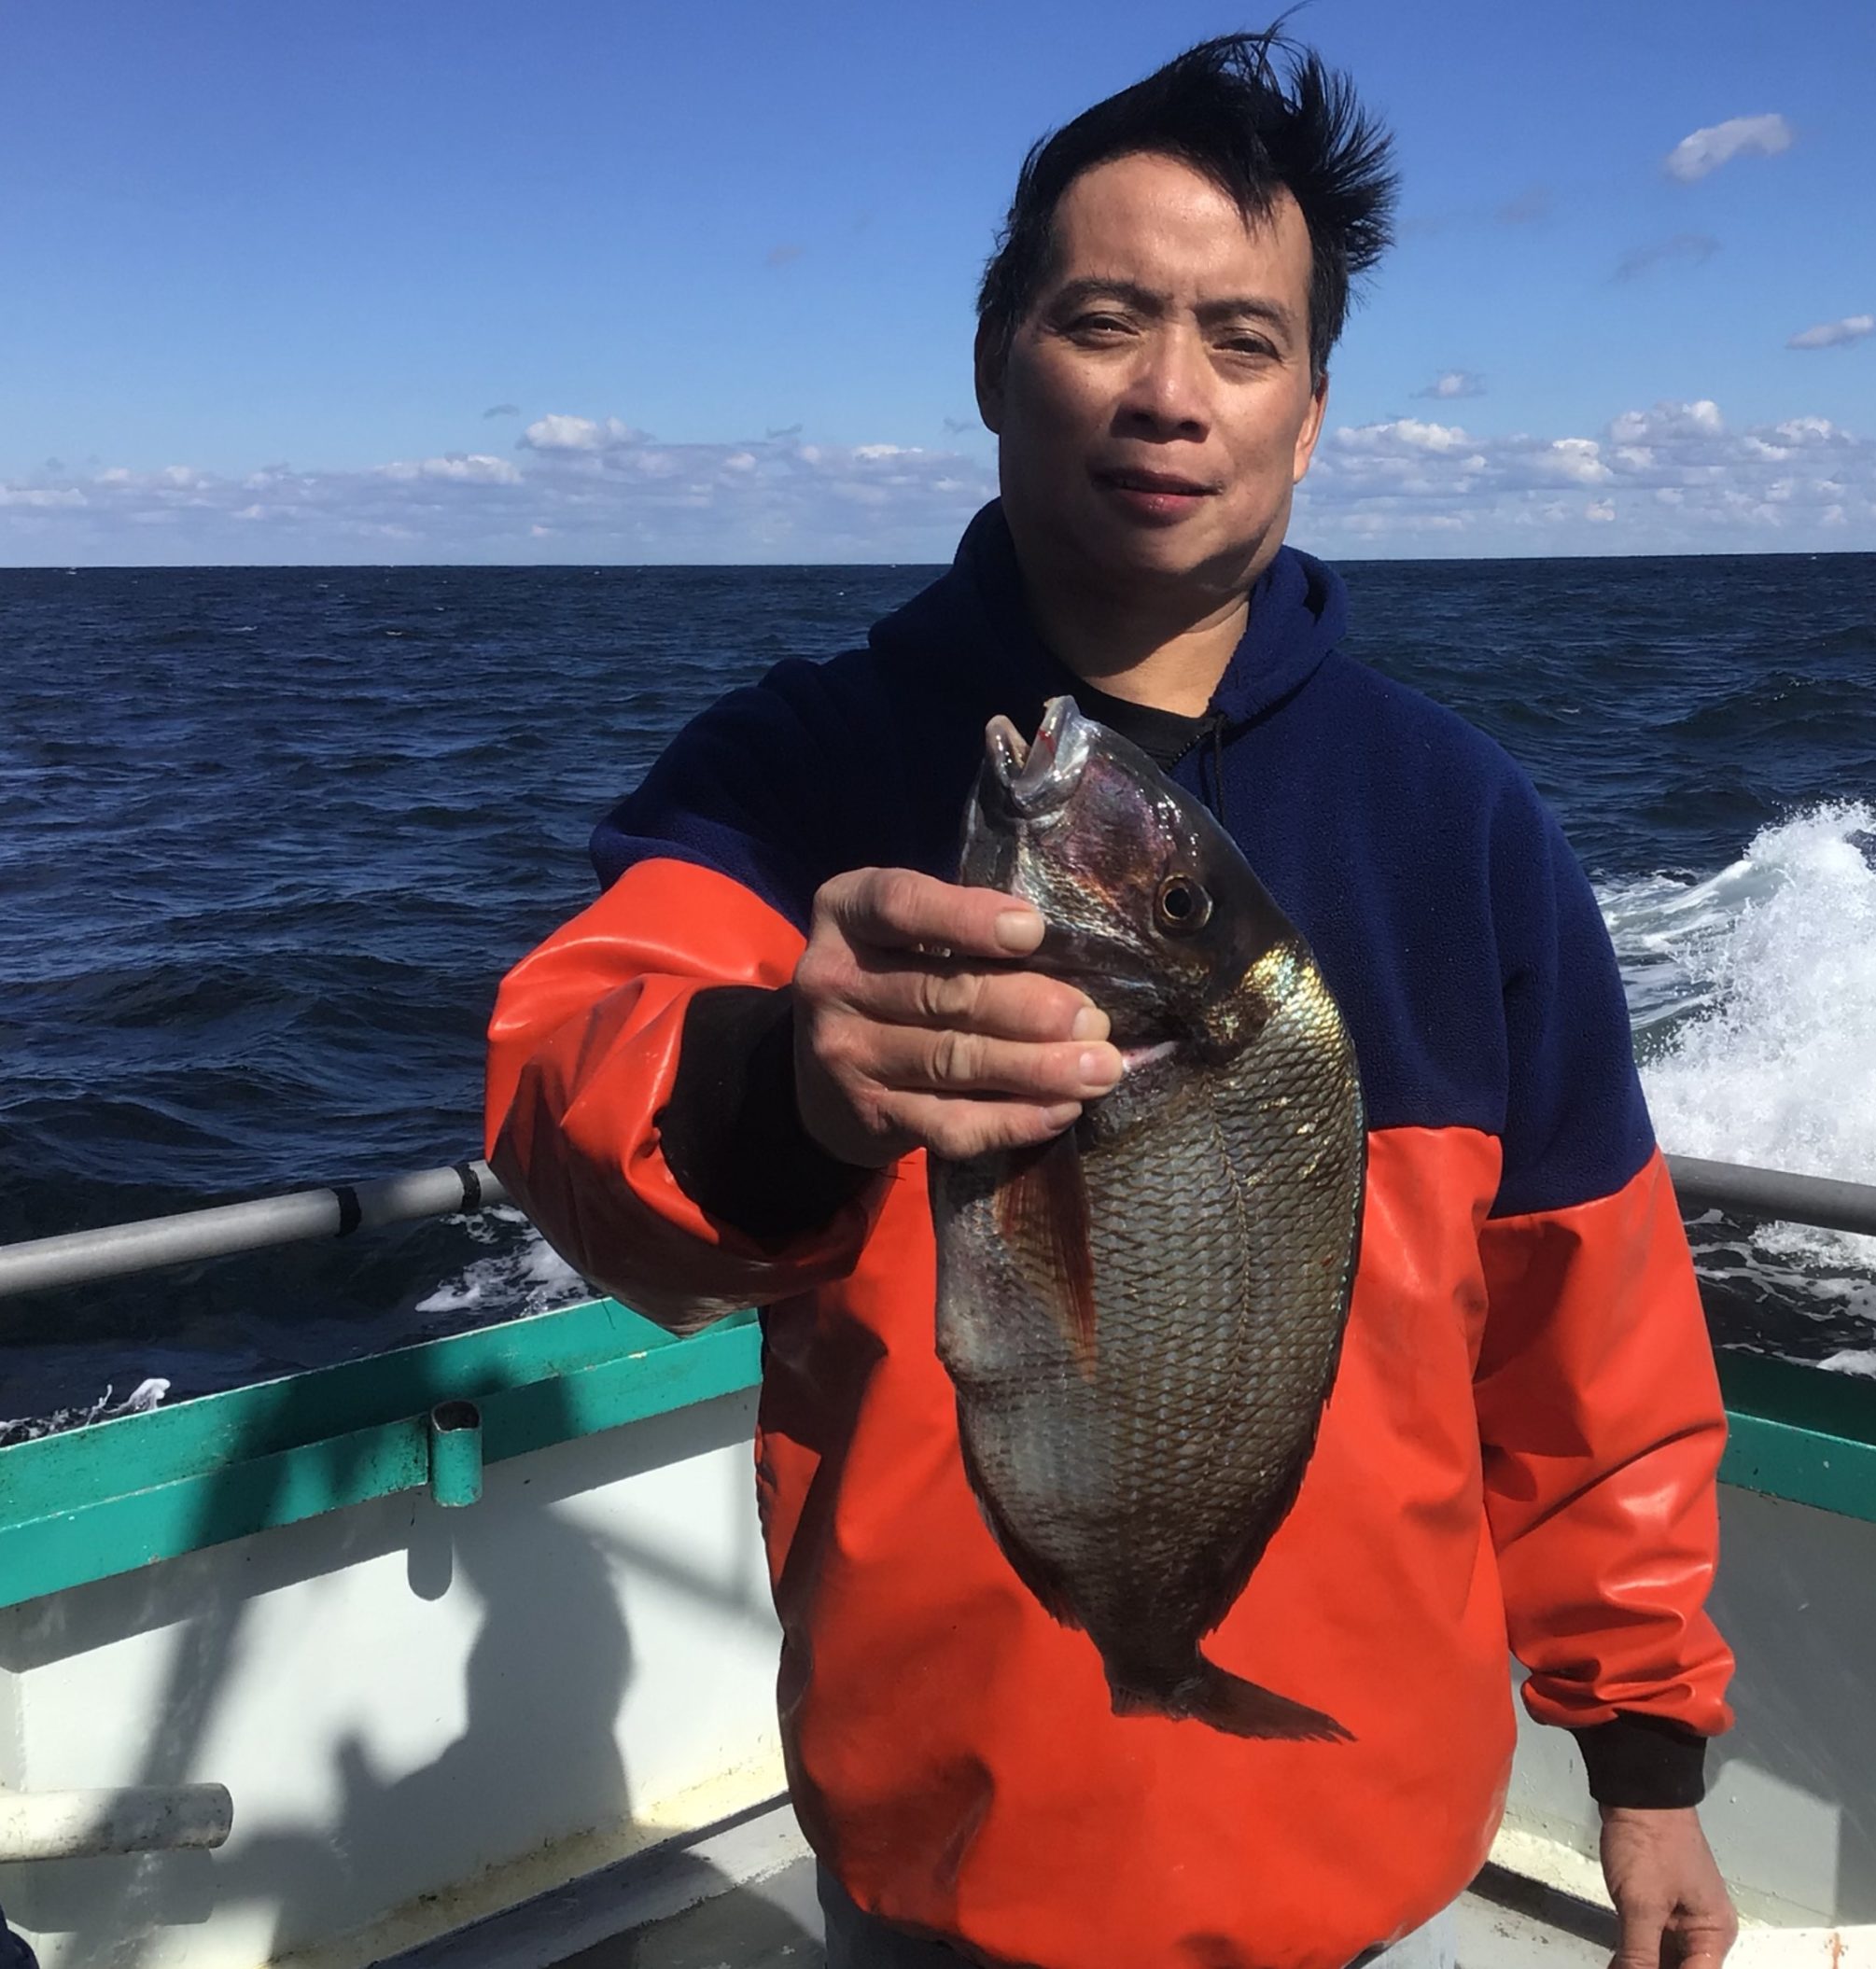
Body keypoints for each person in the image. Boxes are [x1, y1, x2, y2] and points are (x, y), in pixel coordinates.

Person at [485, 31, 1737, 1969]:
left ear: (1309, 416)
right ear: (996, 360)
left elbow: (1592, 1343)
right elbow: (565, 1083)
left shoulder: (1460, 819)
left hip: (1373, 1844)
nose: (1169, 391)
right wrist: (785, 1081)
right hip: (944, 1843)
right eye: (1103, 320)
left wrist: (1643, 1755)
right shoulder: (795, 772)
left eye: (1241, 340)